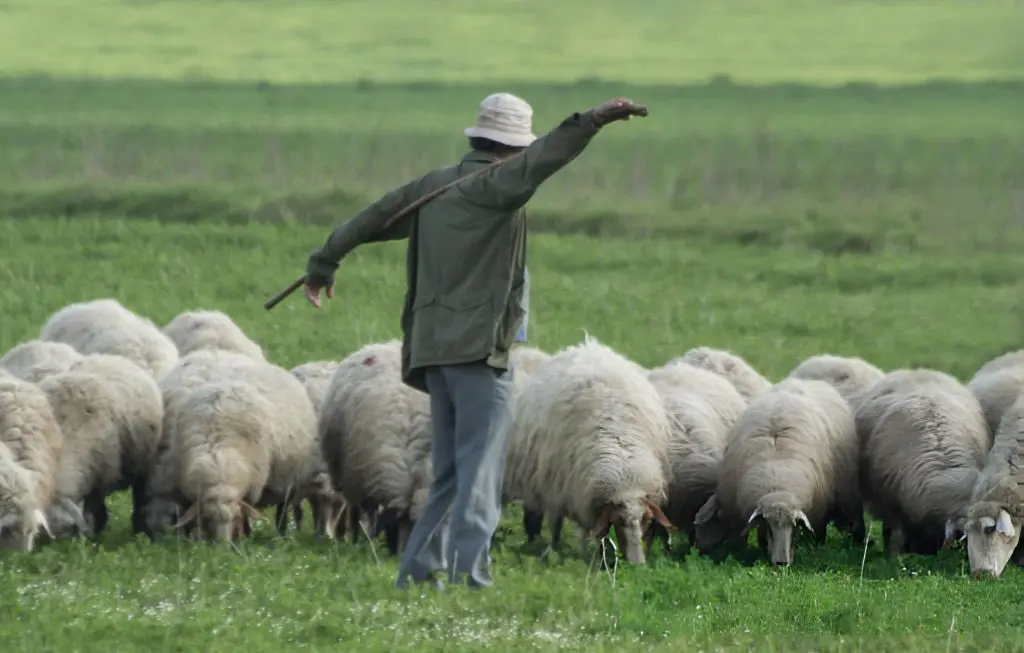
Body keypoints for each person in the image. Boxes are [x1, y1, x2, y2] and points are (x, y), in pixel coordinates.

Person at [302, 93, 649, 590]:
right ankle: (472, 577)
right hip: (478, 352)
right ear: (512, 148)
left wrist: (324, 262)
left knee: (447, 472)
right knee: (483, 472)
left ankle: (420, 571)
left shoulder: (435, 186)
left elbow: (374, 216)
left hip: (430, 351)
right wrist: (591, 121)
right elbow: (547, 157)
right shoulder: (497, 185)